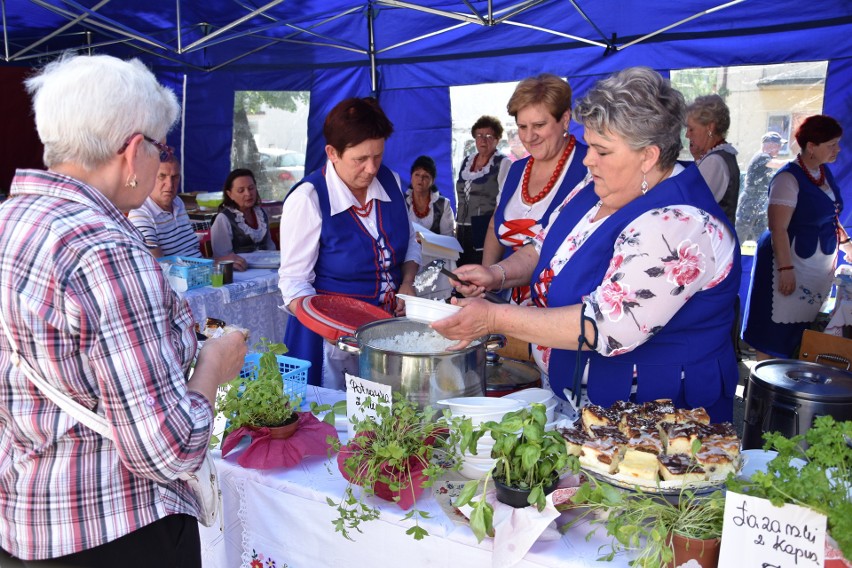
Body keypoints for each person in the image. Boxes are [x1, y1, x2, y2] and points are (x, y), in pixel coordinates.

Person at [0, 53, 247, 567]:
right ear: (134, 152)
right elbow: (168, 449)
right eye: (161, 148)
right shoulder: (105, 248)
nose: (162, 161)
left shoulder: (11, 219)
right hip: (113, 530)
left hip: (26, 515)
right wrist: (212, 366)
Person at [433, 67, 741, 423]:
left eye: (602, 150)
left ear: (649, 156)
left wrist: (492, 318)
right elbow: (543, 245)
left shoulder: (682, 224)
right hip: (577, 397)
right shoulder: (600, 185)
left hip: (650, 418)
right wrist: (496, 275)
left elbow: (606, 325)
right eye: (590, 145)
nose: (587, 158)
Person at [278, 97, 421, 389]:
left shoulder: (390, 181)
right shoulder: (308, 199)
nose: (371, 169)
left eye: (377, 156)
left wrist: (407, 282)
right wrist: (334, 329)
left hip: (387, 335)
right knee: (335, 426)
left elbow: (410, 241)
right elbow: (293, 285)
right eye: (360, 159)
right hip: (329, 347)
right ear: (332, 153)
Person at [742, 115, 845, 360]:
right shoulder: (787, 178)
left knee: (801, 330)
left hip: (813, 263)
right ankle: (765, 386)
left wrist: (847, 243)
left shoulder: (823, 173)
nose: (837, 149)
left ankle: (791, 382)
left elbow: (831, 214)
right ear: (811, 146)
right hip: (786, 260)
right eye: (831, 144)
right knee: (773, 329)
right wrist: (786, 268)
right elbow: (778, 228)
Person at [482, 73, 589, 305]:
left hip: (563, 309)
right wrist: (486, 279)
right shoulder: (516, 169)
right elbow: (494, 224)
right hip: (508, 305)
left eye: (539, 125)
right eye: (522, 126)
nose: (529, 137)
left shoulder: (589, 166)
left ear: (565, 119)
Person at [455, 115, 511, 266]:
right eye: (479, 135)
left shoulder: (503, 163)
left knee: (480, 272)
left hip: (485, 229)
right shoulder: (466, 161)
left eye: (488, 136)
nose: (483, 140)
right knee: (461, 271)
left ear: (497, 139)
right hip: (461, 228)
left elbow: (504, 201)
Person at [128, 156, 202, 258]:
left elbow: (191, 249)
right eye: (162, 176)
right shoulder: (140, 212)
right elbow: (158, 263)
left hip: (202, 269)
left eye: (175, 177)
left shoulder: (177, 202)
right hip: (177, 273)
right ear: (149, 178)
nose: (170, 185)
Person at [685, 94, 740, 227]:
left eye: (691, 129)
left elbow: (692, 208)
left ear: (710, 127)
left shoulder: (714, 162)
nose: (687, 135)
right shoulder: (721, 156)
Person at [209, 168, 276, 270]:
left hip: (267, 269)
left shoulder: (261, 213)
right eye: (241, 190)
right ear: (229, 194)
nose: (248, 194)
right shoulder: (223, 219)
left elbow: (270, 246)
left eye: (251, 188)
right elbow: (222, 258)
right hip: (240, 273)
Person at [736, 131, 786, 243]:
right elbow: (778, 164)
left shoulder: (765, 157)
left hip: (759, 203)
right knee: (740, 234)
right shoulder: (762, 156)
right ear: (769, 145)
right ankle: (730, 258)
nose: (780, 148)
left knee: (762, 237)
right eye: (778, 145)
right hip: (750, 202)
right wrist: (798, 161)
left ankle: (762, 258)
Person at [405, 155, 454, 236]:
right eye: (417, 174)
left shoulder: (443, 205)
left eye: (426, 176)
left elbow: (448, 238)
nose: (420, 179)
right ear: (411, 177)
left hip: (436, 248)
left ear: (433, 181)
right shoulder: (402, 202)